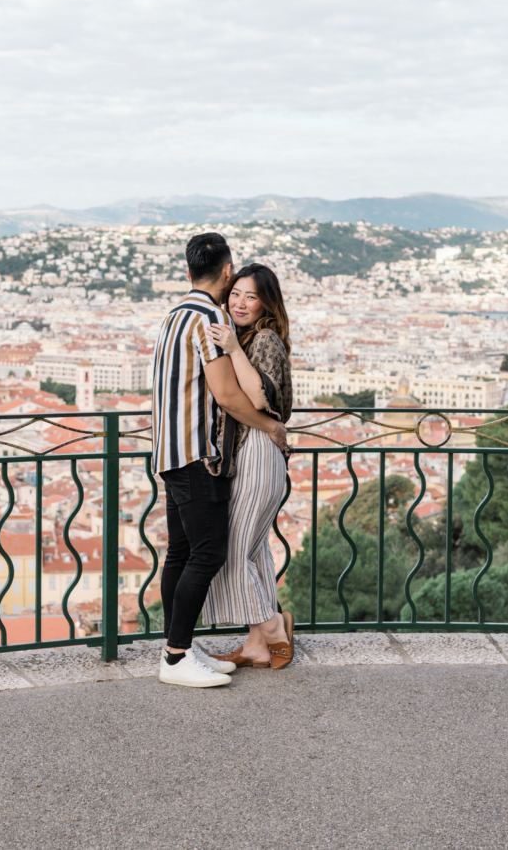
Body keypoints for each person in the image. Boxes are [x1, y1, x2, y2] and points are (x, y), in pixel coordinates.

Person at [150, 233, 290, 688]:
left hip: (168, 451)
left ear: (189, 270)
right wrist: (270, 426)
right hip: (198, 454)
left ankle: (183, 647)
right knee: (208, 553)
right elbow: (228, 396)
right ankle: (175, 658)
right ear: (227, 272)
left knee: (181, 552)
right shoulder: (209, 316)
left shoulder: (174, 315)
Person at [201, 264, 295, 668]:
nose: (240, 302)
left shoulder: (265, 339)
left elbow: (260, 398)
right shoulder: (242, 335)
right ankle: (257, 644)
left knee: (234, 549)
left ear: (265, 303)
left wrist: (235, 350)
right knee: (253, 552)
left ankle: (273, 627)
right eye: (236, 293)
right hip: (250, 451)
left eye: (250, 296)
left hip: (259, 448)